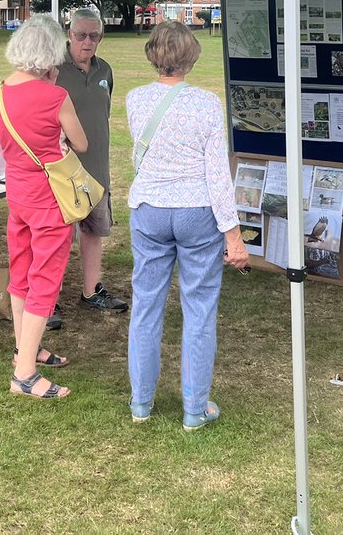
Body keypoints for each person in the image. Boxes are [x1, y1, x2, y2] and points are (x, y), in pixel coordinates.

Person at [125, 21, 248, 430]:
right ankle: (195, 408)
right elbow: (217, 173)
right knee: (199, 310)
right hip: (197, 212)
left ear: (152, 55)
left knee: (146, 305)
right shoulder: (207, 104)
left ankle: (140, 402)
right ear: (192, 57)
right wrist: (233, 234)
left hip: (149, 209)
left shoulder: (134, 100)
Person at [0, 15, 89, 400]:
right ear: (51, 55)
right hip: (49, 198)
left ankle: (24, 349)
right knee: (44, 282)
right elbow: (81, 143)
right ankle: (24, 374)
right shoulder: (56, 96)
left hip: (17, 193)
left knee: (21, 273)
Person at [52, 8, 127, 329]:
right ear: (69, 34)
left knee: (94, 231)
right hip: (62, 172)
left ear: (101, 37)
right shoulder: (54, 70)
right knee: (57, 238)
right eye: (81, 34)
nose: (87, 42)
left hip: (97, 167)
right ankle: (49, 298)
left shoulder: (105, 70)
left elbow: (104, 112)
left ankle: (91, 290)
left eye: (94, 36)